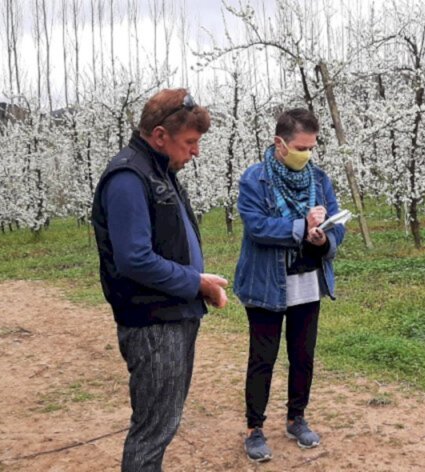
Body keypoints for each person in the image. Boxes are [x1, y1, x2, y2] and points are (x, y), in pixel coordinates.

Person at [91, 88, 229, 472]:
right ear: (159, 136)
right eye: (190, 142)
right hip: (153, 322)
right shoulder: (128, 177)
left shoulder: (157, 170)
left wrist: (197, 285)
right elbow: (134, 259)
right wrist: (194, 282)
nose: (196, 151)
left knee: (162, 425)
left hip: (173, 315)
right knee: (152, 431)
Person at [233, 108, 346, 462]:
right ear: (279, 143)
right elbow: (257, 226)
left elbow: (337, 226)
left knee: (303, 356)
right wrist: (300, 227)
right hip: (267, 284)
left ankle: (297, 418)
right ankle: (254, 429)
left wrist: (322, 239)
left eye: (312, 148)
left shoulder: (319, 180)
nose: (307, 155)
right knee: (262, 358)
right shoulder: (255, 180)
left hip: (308, 283)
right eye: (301, 147)